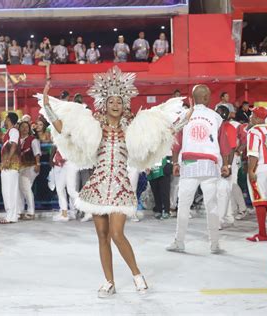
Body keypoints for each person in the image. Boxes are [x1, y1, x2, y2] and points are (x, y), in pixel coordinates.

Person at [38, 65, 191, 298]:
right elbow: (63, 129)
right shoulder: (93, 127)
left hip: (120, 187)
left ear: (124, 104)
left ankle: (137, 274)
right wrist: (48, 104)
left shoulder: (133, 128)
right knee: (101, 236)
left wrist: (183, 121)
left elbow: (163, 132)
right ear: (105, 104)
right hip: (97, 186)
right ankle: (109, 281)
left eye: (119, 101)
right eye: (111, 101)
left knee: (117, 234)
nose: (116, 105)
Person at [166, 84, 229, 254]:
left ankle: (179, 242)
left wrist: (174, 163)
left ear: (192, 99)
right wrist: (226, 165)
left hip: (190, 164)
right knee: (212, 206)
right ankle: (214, 244)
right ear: (208, 98)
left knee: (184, 205)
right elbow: (224, 145)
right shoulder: (216, 117)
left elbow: (175, 142)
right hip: (210, 165)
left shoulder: (184, 116)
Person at [245, 107, 267, 241]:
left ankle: (262, 234)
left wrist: (251, 170)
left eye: (252, 114)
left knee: (259, 201)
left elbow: (253, 153)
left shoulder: (254, 131)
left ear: (258, 118)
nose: (250, 117)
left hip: (260, 168)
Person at [216, 105, 239, 228]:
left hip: (221, 160)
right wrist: (228, 165)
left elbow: (231, 149)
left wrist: (228, 165)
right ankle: (225, 217)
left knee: (222, 190)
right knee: (225, 190)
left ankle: (224, 217)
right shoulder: (229, 127)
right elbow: (231, 148)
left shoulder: (221, 127)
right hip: (223, 160)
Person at [0, 112, 21, 224]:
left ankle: (11, 216)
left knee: (9, 191)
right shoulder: (9, 132)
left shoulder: (14, 131)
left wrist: (7, 160)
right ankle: (11, 216)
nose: (4, 121)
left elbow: (14, 145)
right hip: (7, 165)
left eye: (5, 119)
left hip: (10, 165)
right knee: (7, 191)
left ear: (9, 120)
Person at [17, 121, 41, 220]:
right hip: (20, 167)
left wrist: (38, 164)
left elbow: (37, 153)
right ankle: (21, 211)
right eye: (22, 127)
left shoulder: (33, 139)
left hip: (31, 166)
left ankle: (31, 212)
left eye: (27, 127)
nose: (25, 128)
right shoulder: (18, 140)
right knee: (20, 189)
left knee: (26, 187)